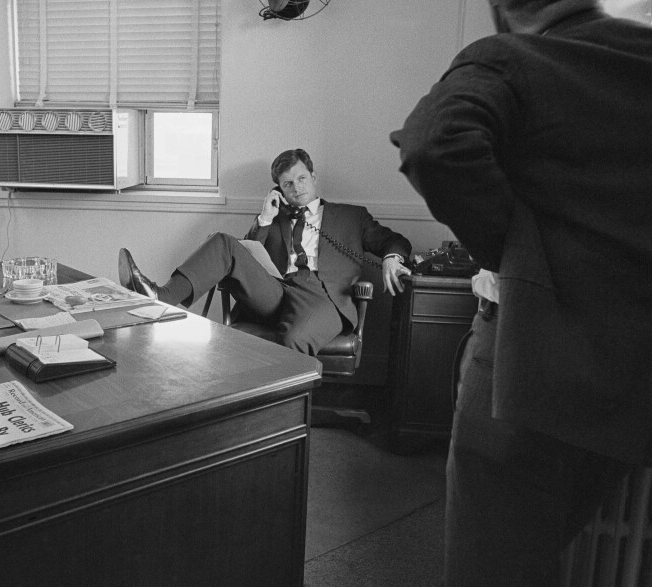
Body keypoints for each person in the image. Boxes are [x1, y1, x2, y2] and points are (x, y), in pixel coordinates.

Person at [390, 0, 652, 583]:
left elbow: (432, 142)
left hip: (526, 365)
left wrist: (510, 250)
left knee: (492, 568)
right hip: (632, 374)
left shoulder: (509, 58)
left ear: (503, 9)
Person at [119, 148, 412, 357]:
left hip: (324, 297)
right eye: (287, 184)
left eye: (301, 179)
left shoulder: (351, 217)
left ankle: (284, 417)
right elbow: (245, 254)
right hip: (276, 291)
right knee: (223, 241)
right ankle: (160, 298)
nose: (296, 189)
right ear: (279, 189)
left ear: (313, 175)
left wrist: (392, 258)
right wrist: (264, 219)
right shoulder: (273, 217)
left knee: (295, 337)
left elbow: (395, 240)